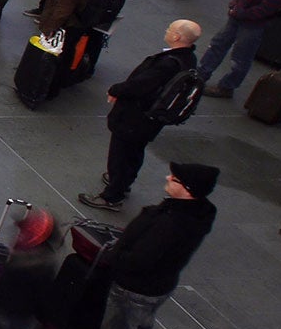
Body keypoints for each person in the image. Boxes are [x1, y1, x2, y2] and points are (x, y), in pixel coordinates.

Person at [63, 161, 219, 329]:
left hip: (134, 288)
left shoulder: (170, 224)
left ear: (188, 189)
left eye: (174, 178)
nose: (167, 177)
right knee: (141, 327)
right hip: (160, 286)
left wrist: (115, 256)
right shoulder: (199, 213)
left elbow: (139, 260)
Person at [78, 20, 201, 213]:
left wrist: (116, 90)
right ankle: (124, 181)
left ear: (177, 36)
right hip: (151, 119)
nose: (166, 30)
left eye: (170, 29)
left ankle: (112, 195)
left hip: (135, 117)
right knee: (134, 152)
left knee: (120, 155)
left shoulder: (167, 63)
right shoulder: (188, 59)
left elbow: (140, 85)